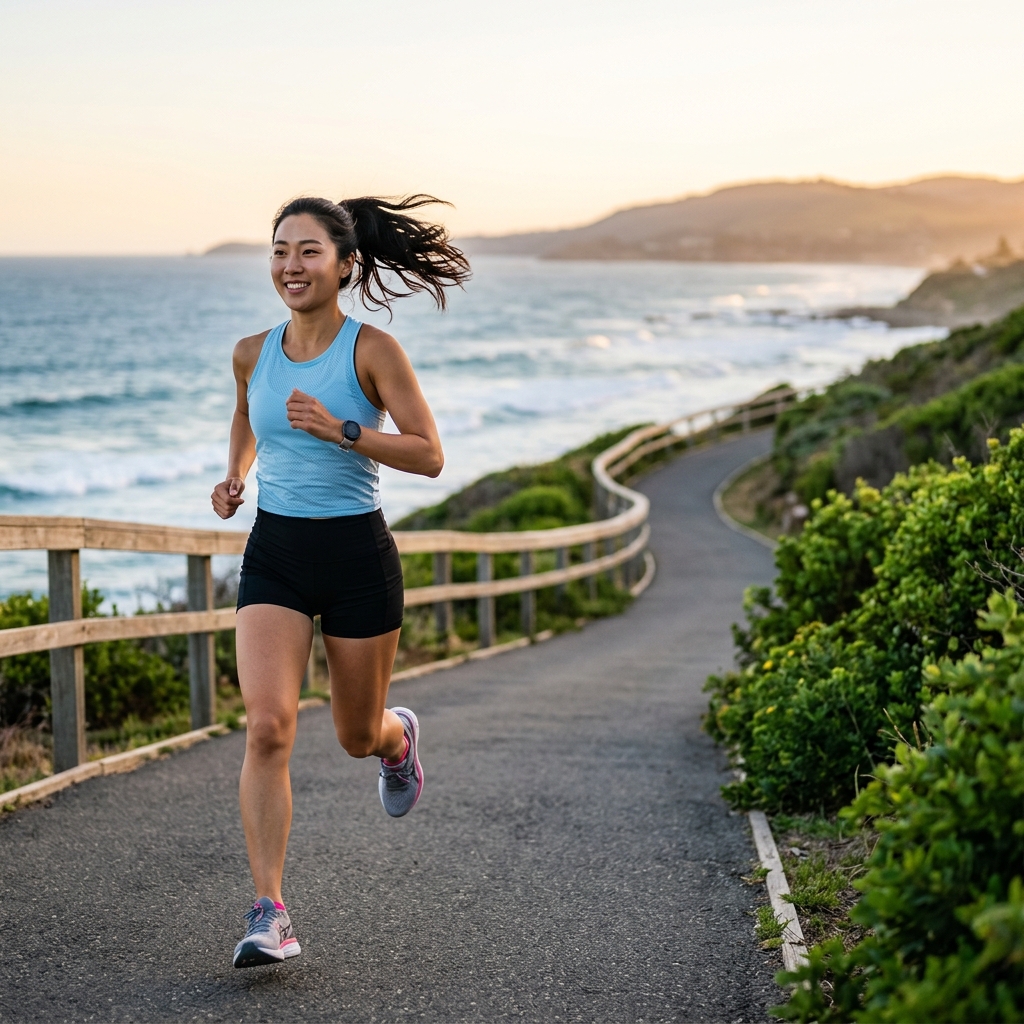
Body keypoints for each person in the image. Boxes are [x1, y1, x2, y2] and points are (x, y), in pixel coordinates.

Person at [210, 195, 469, 969]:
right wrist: (233, 474)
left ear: (345, 263)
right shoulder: (252, 350)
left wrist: (345, 430)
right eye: (280, 251)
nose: (291, 266)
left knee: (355, 736)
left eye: (309, 252)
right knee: (268, 727)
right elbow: (248, 416)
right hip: (276, 554)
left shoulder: (373, 351)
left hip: (358, 558)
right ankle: (271, 913)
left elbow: (429, 454)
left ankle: (398, 737)